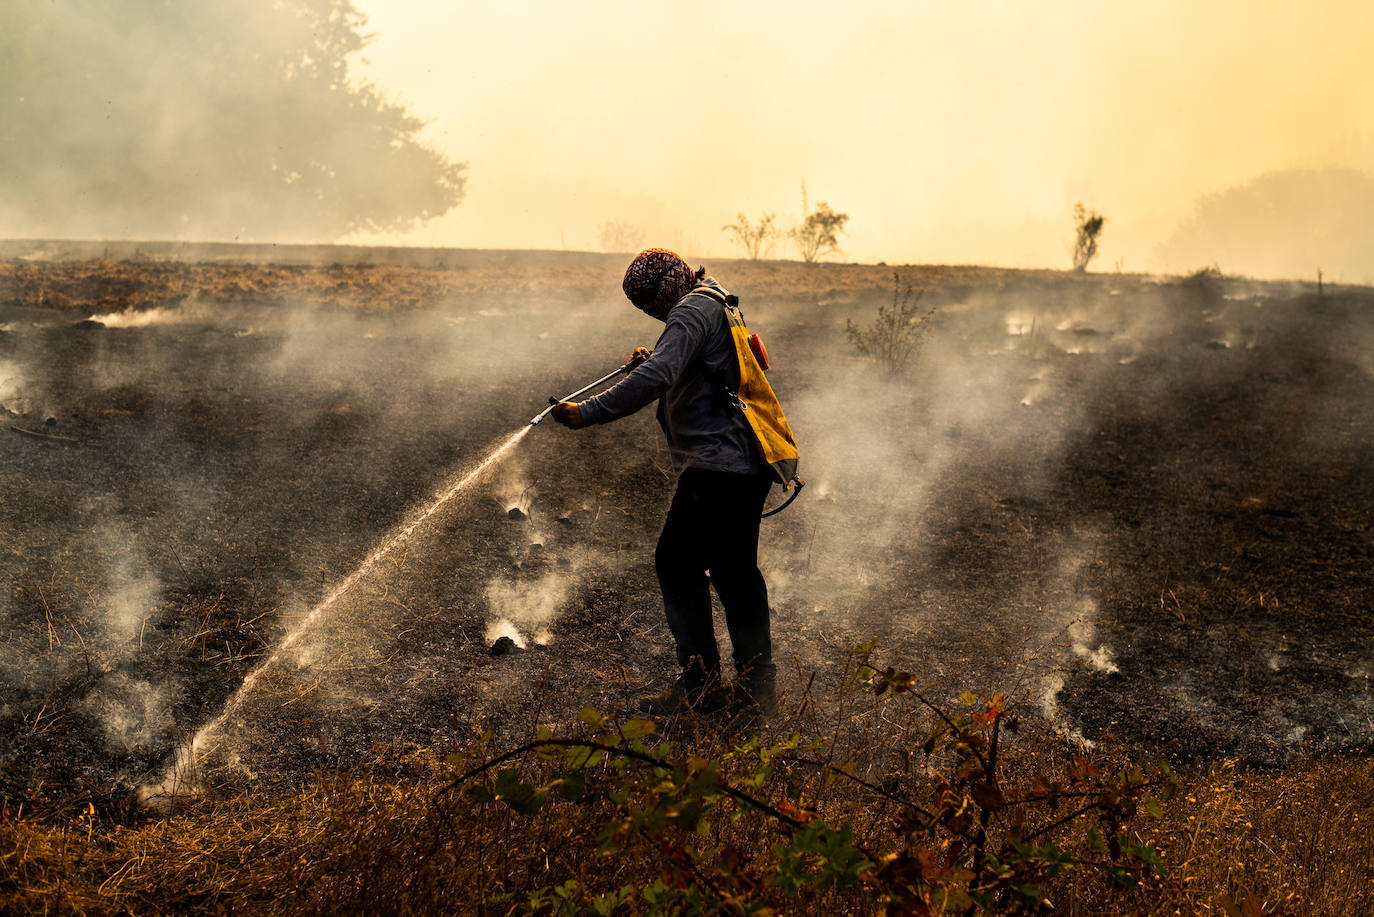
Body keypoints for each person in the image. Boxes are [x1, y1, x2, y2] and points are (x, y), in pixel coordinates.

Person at [552, 248, 777, 717]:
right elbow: (700, 367)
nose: (655, 313)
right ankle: (757, 687)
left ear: (669, 285)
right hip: (744, 463)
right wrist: (659, 354)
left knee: (676, 564)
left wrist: (588, 412)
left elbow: (661, 375)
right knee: (736, 574)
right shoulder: (715, 300)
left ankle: (700, 683)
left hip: (718, 467)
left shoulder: (692, 308)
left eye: (652, 304)